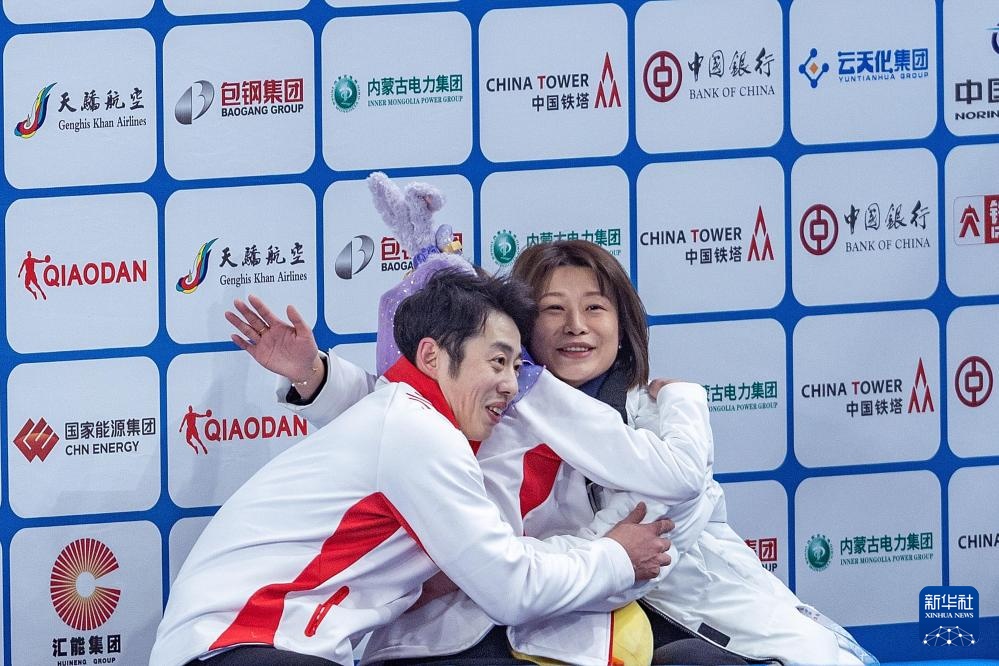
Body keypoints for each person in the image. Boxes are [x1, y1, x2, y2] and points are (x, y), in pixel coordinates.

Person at [229, 240, 875, 665]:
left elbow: (646, 543)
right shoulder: (493, 403)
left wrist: (494, 567)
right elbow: (396, 406)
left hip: (663, 619)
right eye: (554, 309)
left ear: (622, 324)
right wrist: (314, 374)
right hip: (503, 623)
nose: (575, 326)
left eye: (594, 308)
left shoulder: (657, 416)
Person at [152, 270, 676, 666]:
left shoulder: (405, 417)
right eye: (497, 362)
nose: (512, 385)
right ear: (431, 357)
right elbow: (511, 589)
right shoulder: (418, 432)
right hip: (243, 643)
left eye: (519, 368)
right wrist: (617, 557)